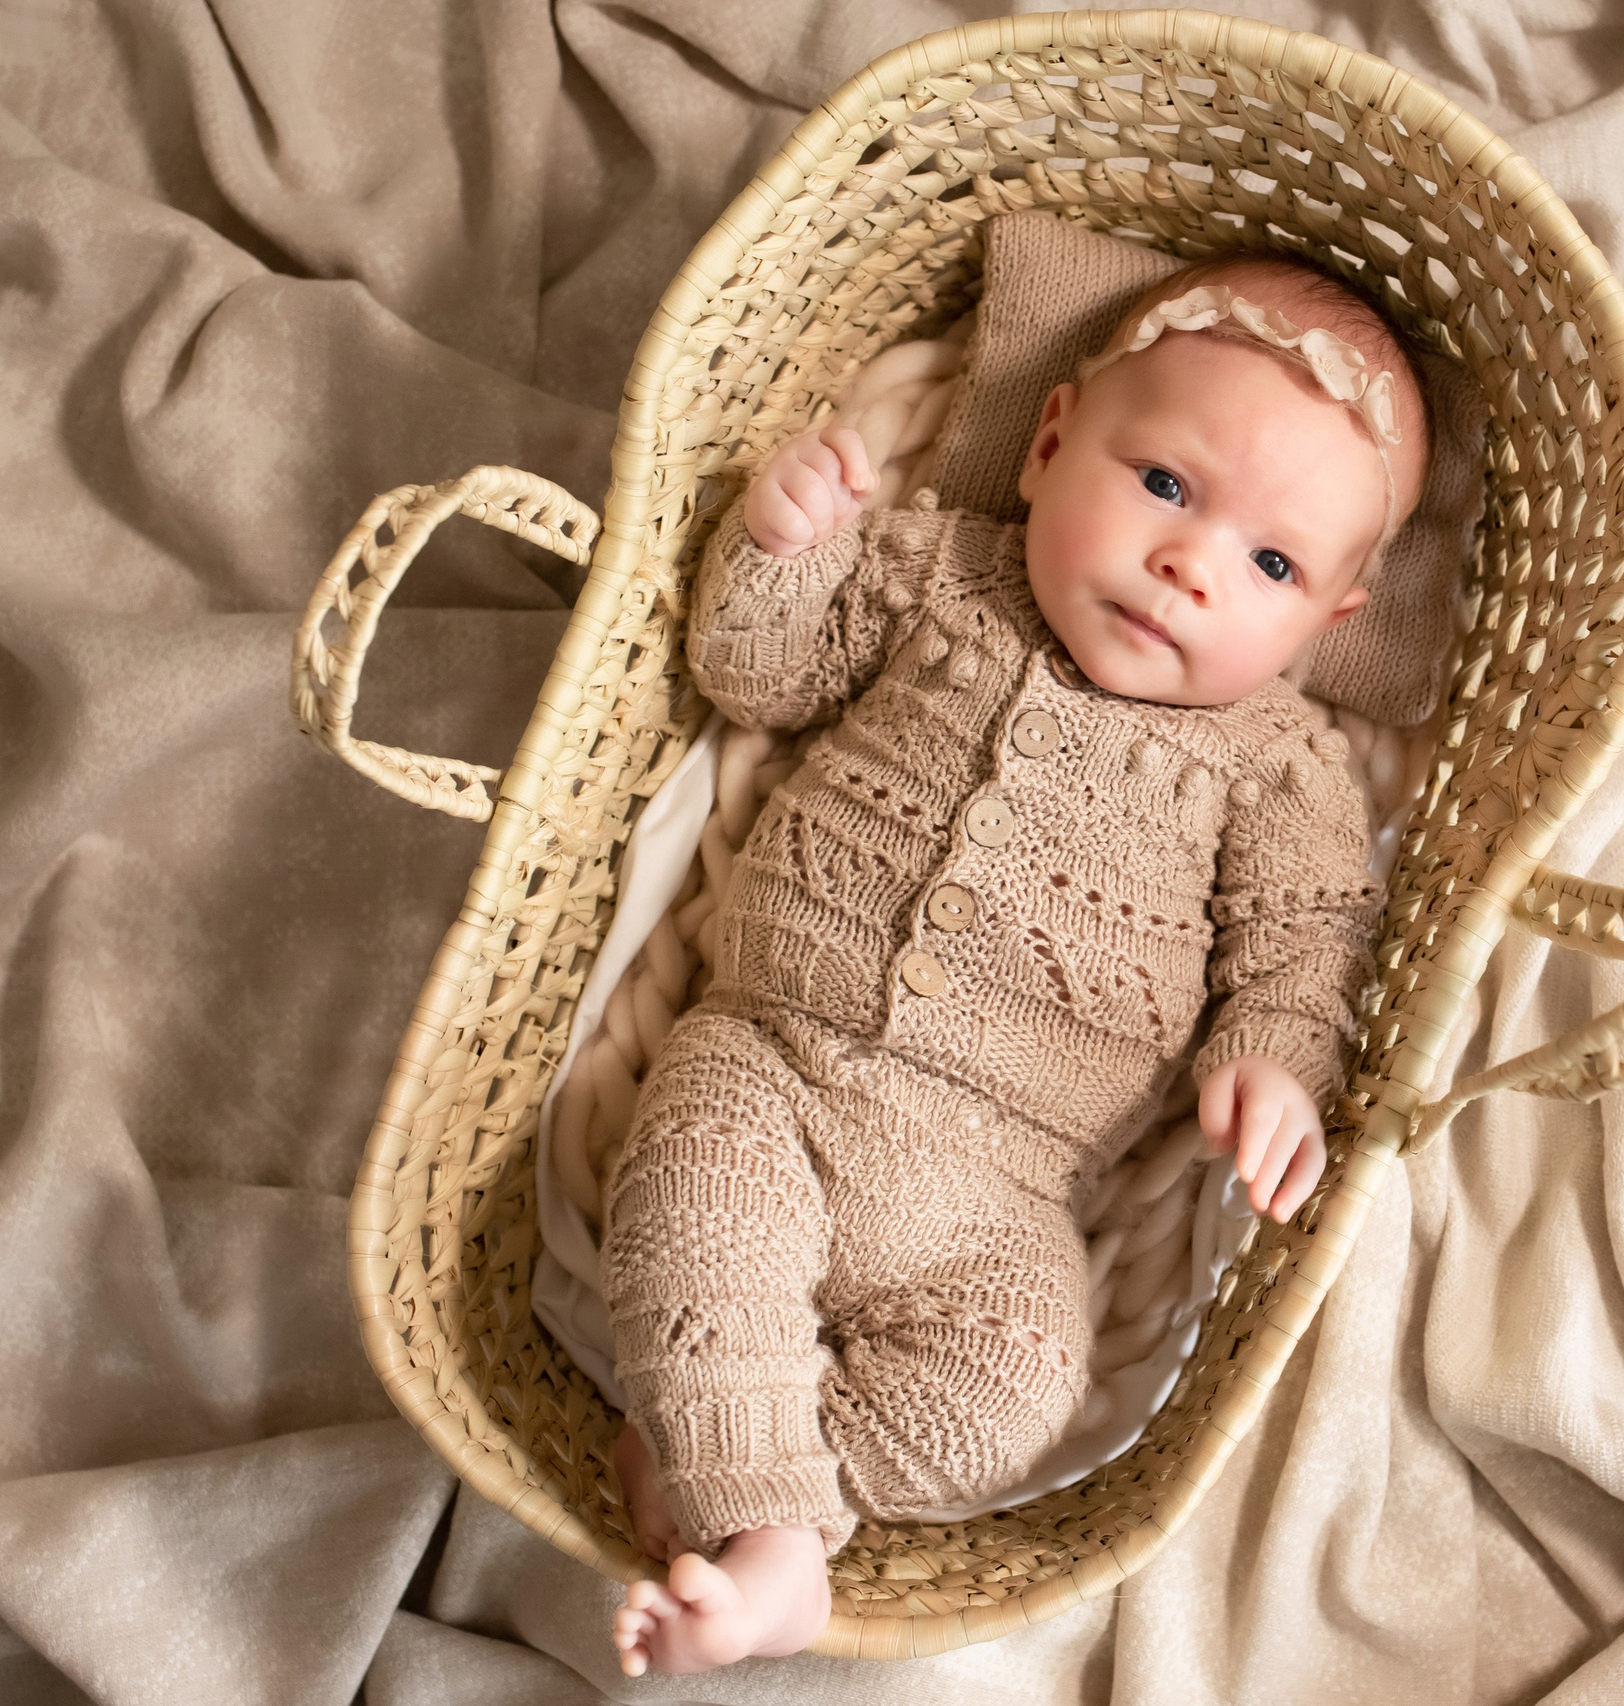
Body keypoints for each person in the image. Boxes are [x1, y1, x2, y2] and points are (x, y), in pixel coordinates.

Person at [604, 254, 1433, 1676]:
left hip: (1001, 1200)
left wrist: (1272, 1064)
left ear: (1326, 624)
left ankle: (731, 1461)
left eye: (1272, 565)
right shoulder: (940, 571)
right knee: (690, 1188)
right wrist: (782, 545)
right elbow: (759, 675)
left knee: (1023, 1382)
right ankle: (772, 1533)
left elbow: (1303, 945)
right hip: (774, 1063)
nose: (1190, 565)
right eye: (1163, 484)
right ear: (1050, 444)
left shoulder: (1283, 765)